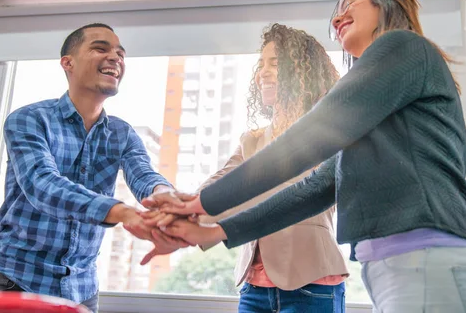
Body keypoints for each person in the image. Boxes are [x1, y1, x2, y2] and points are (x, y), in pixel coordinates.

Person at [152, 0, 466, 312]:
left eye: (350, 4)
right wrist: (214, 229)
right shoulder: (376, 113)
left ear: (386, 5)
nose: (336, 18)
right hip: (397, 268)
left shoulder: (404, 46)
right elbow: (316, 188)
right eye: (335, 13)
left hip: (426, 262)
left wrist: (201, 202)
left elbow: (315, 133)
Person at [140, 24, 348, 312]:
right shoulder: (252, 140)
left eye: (275, 64)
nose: (263, 72)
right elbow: (220, 186)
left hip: (311, 283)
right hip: (254, 288)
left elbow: (300, 192)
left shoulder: (328, 132)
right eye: (261, 64)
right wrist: (175, 213)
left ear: (303, 73)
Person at [0, 23, 188, 313]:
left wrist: (165, 196)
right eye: (100, 48)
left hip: (81, 291)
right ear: (67, 63)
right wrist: (121, 212)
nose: (116, 58)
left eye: (121, 53)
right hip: (18, 283)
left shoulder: (122, 133)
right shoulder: (28, 119)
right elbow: (42, 185)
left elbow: (145, 176)